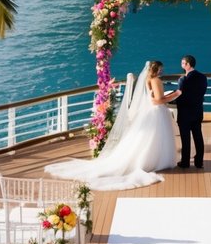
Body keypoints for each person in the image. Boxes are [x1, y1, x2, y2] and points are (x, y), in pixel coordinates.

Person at [45, 60, 177, 190]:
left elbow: (152, 98)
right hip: (156, 112)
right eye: (161, 68)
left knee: (146, 139)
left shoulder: (147, 80)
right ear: (157, 69)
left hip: (148, 112)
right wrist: (176, 94)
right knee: (155, 138)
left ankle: (146, 160)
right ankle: (150, 161)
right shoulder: (156, 81)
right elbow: (158, 101)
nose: (162, 70)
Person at [165, 54, 208, 170]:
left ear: (188, 65)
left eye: (183, 63)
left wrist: (169, 99)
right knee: (198, 136)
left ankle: (185, 162)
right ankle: (199, 162)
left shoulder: (183, 79)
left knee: (185, 138)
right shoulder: (203, 77)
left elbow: (181, 96)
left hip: (185, 112)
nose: (181, 65)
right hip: (198, 111)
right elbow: (202, 93)